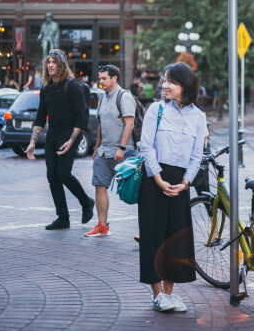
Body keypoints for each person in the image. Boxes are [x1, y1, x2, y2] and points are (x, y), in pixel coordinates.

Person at [138, 62, 206, 313]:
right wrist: (158, 179)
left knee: (176, 239)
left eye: (171, 81)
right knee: (153, 237)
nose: (165, 85)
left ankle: (169, 294)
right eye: (164, 80)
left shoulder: (198, 117)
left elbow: (196, 156)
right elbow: (146, 147)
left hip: (181, 183)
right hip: (154, 179)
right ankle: (157, 296)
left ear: (185, 86)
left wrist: (185, 183)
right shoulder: (155, 109)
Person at [25, 49, 95, 230]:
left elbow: (81, 117)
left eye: (54, 62)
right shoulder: (46, 88)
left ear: (62, 65)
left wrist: (72, 141)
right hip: (52, 136)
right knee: (52, 176)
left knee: (63, 174)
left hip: (69, 135)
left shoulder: (72, 86)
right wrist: (33, 142)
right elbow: (41, 116)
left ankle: (86, 202)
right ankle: (63, 218)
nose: (50, 65)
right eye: (48, 62)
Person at [85, 65, 135, 237]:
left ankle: (148, 228)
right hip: (104, 152)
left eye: (104, 78)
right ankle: (102, 225)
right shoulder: (102, 98)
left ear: (114, 78)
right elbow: (101, 123)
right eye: (100, 78)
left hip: (124, 153)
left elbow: (130, 124)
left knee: (136, 191)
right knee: (99, 185)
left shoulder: (124, 96)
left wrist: (121, 148)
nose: (101, 82)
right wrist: (96, 146)